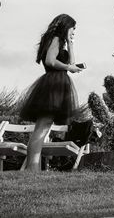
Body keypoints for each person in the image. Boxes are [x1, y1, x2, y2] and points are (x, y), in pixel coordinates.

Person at [19, 14, 83, 171]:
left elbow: (71, 63)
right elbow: (50, 61)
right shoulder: (55, 38)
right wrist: (69, 67)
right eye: (73, 28)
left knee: (44, 126)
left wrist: (70, 44)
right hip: (52, 85)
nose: (74, 32)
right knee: (42, 126)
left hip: (59, 84)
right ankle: (32, 169)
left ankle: (33, 167)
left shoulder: (62, 41)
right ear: (66, 26)